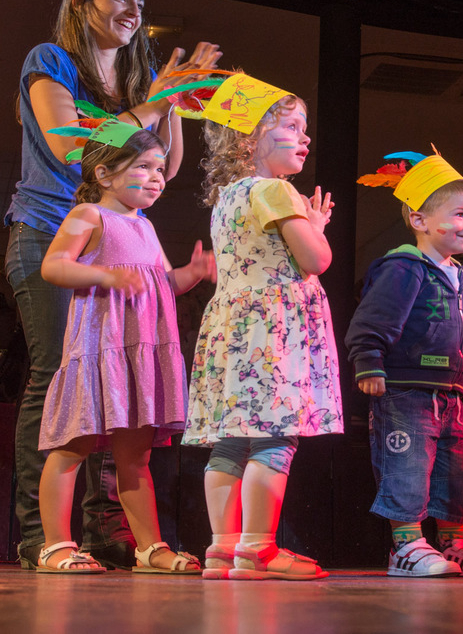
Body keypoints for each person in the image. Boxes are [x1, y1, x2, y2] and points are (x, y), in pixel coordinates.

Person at [4, 0, 222, 571]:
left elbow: (169, 167)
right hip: (53, 230)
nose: (134, 12)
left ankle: (113, 535)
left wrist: (171, 101)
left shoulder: (138, 81)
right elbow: (67, 146)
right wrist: (154, 101)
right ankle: (40, 536)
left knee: (119, 390)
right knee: (59, 381)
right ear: (83, 2)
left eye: (141, 5)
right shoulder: (50, 61)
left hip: (120, 243)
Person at [178, 72, 342, 581]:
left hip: (236, 329)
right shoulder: (275, 190)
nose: (305, 136)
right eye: (292, 125)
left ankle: (223, 548)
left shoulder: (230, 195)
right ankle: (258, 548)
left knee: (233, 440)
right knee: (274, 436)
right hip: (274, 332)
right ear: (252, 137)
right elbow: (315, 259)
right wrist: (314, 228)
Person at [34, 116, 213, 574]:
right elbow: (54, 266)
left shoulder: (146, 226)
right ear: (104, 174)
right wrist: (103, 274)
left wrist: (190, 275)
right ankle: (55, 545)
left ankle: (148, 547)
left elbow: (156, 285)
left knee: (136, 458)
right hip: (100, 350)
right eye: (144, 167)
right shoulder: (89, 216)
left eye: (159, 169)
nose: (156, 177)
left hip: (141, 354)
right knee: (71, 448)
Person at [348, 148, 463, 578]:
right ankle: (405, 546)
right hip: (406, 391)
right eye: (460, 215)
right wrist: (369, 362)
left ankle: (454, 543)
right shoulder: (404, 267)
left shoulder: (458, 275)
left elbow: (457, 328)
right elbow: (374, 319)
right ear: (419, 220)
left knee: (457, 472)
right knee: (408, 465)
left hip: (448, 392)